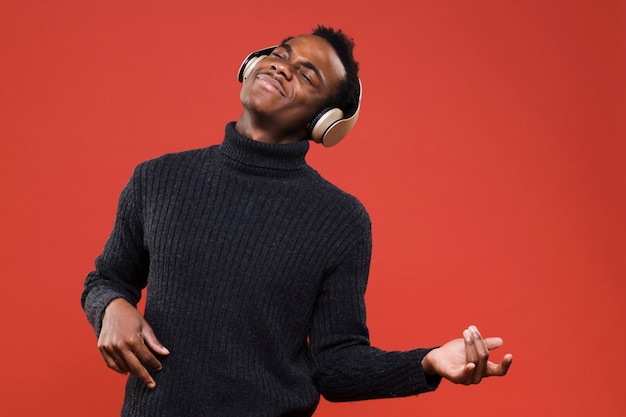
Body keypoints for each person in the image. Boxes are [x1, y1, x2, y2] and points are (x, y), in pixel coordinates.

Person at [82, 25, 512, 416]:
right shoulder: (159, 178)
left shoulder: (340, 220)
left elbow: (337, 366)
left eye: (308, 75)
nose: (281, 67)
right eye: (281, 54)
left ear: (324, 122)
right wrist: (112, 307)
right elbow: (106, 280)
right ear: (252, 64)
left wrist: (427, 362)